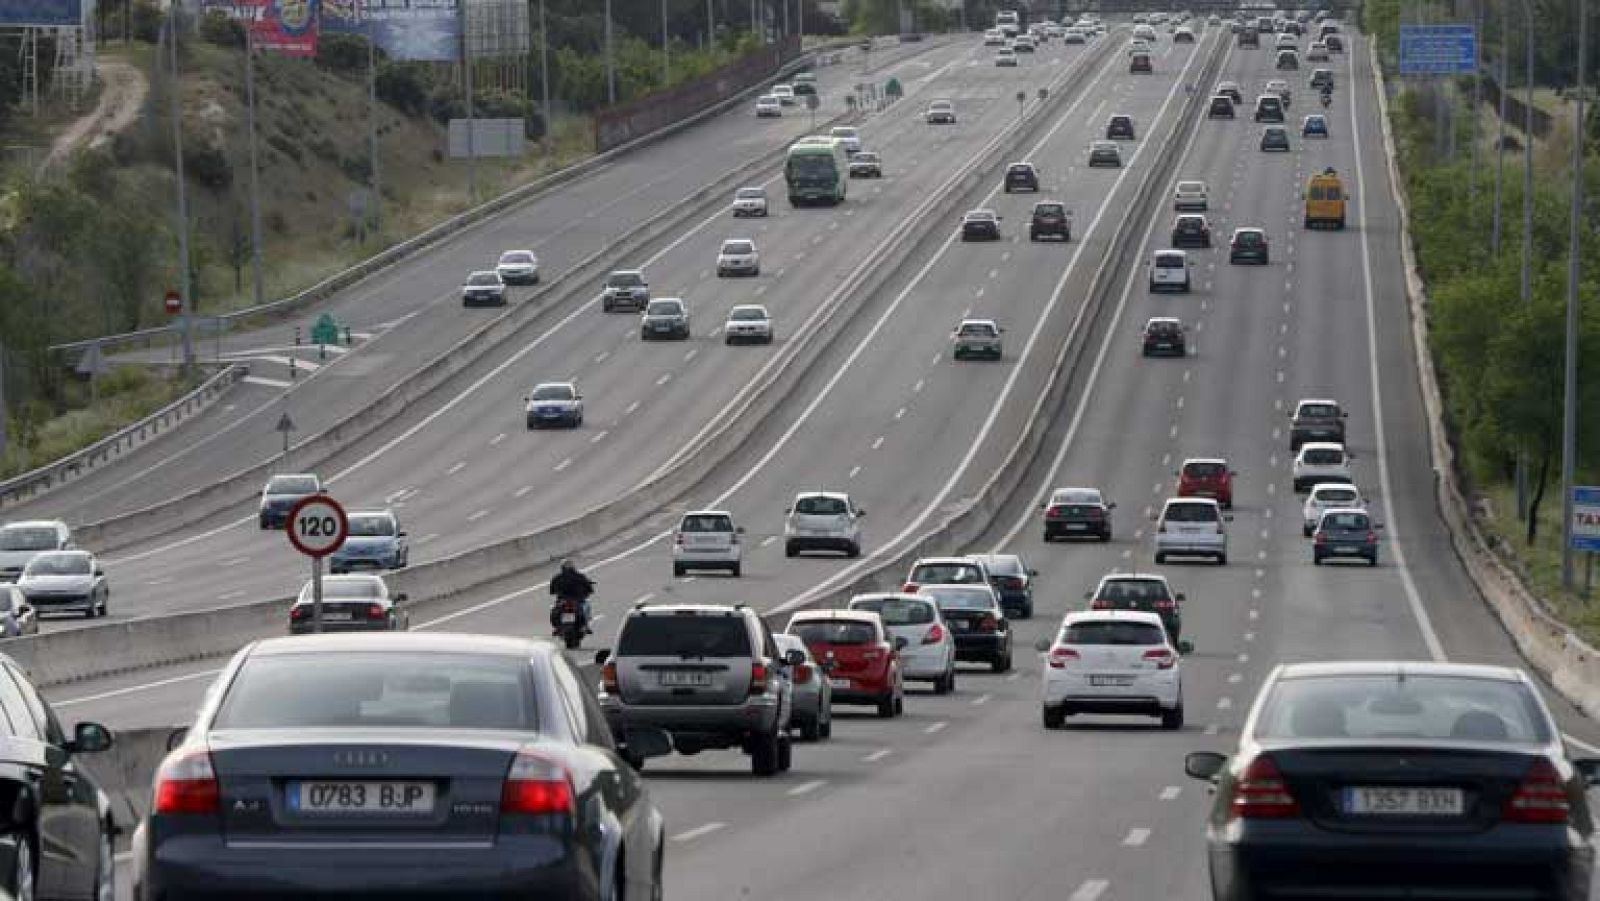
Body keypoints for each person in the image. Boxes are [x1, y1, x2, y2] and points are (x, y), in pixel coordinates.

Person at [549, 559, 595, 633]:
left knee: (554, 609)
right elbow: (589, 588)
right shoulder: (580, 576)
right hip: (577, 600)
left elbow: (552, 591)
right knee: (587, 605)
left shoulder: (557, 578)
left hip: (563, 601)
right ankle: (586, 626)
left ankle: (558, 628)